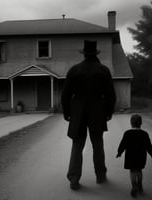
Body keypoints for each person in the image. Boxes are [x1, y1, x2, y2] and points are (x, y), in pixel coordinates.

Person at [61, 40, 116, 190]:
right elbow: (111, 95)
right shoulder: (103, 70)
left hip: (78, 110)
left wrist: (67, 112)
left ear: (84, 53)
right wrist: (108, 112)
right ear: (96, 53)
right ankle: (100, 176)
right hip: (97, 109)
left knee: (77, 145)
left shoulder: (74, 70)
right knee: (98, 144)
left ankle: (74, 178)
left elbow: (65, 95)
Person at [116, 114, 152, 197]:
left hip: (130, 156)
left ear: (131, 123)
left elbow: (123, 144)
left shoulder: (127, 133)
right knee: (139, 170)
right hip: (141, 156)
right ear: (141, 123)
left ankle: (134, 186)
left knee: (132, 171)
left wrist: (119, 153)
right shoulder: (144, 134)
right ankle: (140, 185)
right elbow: (149, 145)